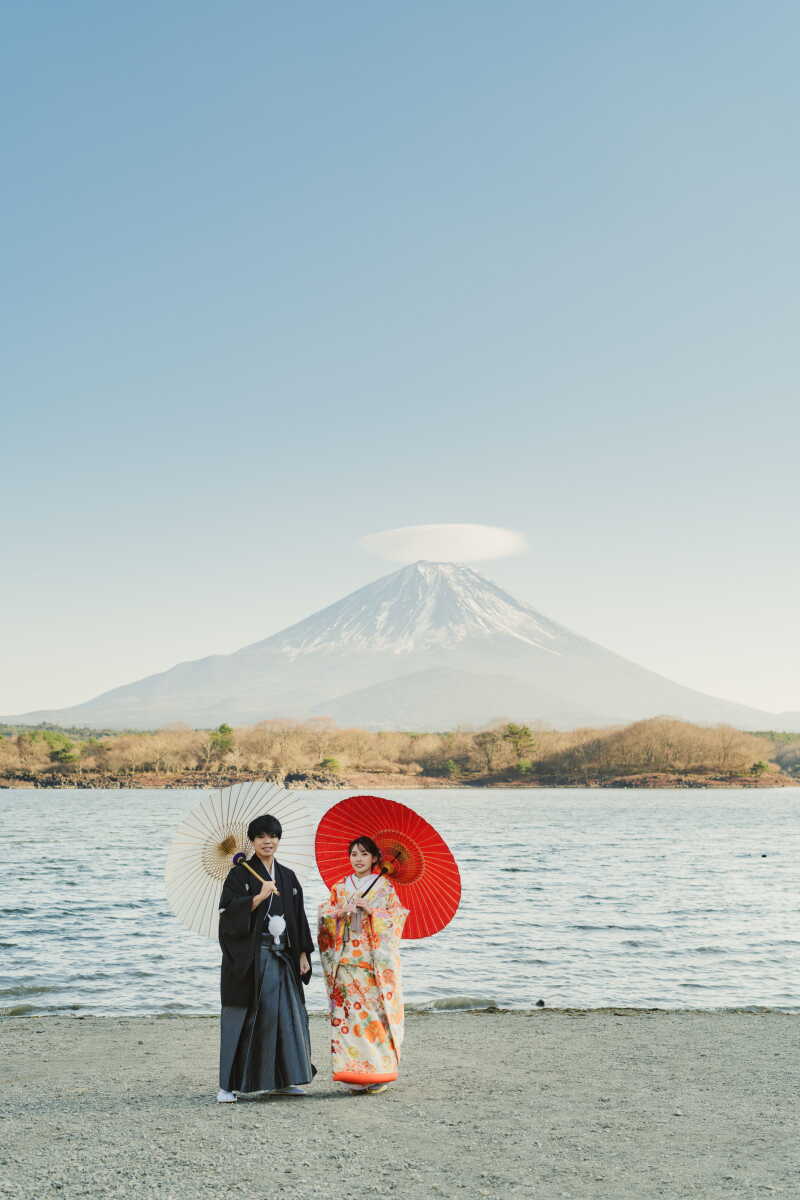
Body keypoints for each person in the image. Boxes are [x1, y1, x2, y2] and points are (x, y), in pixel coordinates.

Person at [216, 813, 315, 1102]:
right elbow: (227, 917)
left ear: (279, 840)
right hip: (253, 960)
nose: (267, 841)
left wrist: (302, 953)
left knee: (287, 1016)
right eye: (261, 837)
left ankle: (285, 1079)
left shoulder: (288, 876)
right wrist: (257, 897)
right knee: (247, 1018)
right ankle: (228, 1085)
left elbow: (298, 918)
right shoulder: (239, 874)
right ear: (252, 841)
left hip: (283, 957)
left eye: (272, 836)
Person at [317, 835, 408, 1093]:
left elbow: (396, 920)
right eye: (354, 854)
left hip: (372, 965)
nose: (358, 859)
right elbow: (325, 917)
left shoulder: (385, 888)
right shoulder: (340, 887)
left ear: (375, 858)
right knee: (348, 1018)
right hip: (345, 963)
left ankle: (378, 1074)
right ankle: (353, 1074)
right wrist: (339, 914)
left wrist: (373, 912)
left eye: (364, 854)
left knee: (373, 1018)